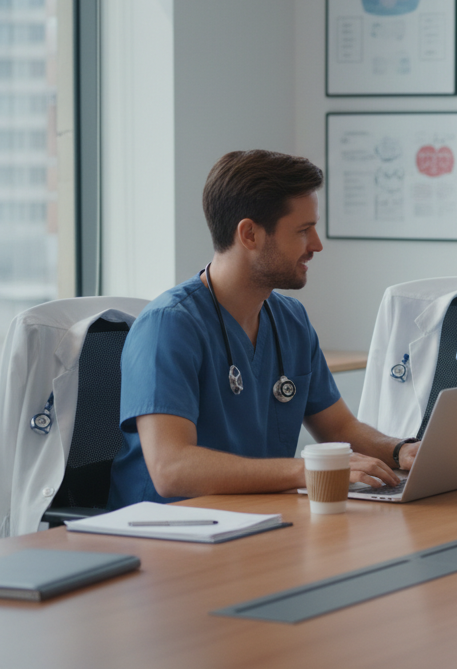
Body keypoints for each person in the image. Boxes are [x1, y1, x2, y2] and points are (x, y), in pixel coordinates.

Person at [107, 150, 421, 508]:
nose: (317, 245)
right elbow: (171, 469)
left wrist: (403, 451)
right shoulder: (168, 326)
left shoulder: (290, 319)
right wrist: (308, 471)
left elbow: (340, 429)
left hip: (259, 517)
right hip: (167, 532)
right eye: (303, 231)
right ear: (250, 234)